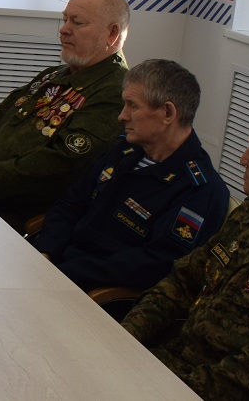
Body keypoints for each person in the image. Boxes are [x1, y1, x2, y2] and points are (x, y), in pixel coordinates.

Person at [121, 105, 249, 399]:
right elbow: (182, 281)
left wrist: (150, 385)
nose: (242, 159)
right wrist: (126, 337)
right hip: (167, 363)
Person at [31, 59, 229, 292]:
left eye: (132, 106)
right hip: (57, 268)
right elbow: (71, 203)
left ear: (167, 113)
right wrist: (47, 251)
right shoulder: (126, 151)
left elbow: (153, 265)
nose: (122, 116)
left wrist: (65, 273)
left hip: (95, 292)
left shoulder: (200, 189)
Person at [0, 0, 130, 232]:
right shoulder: (55, 75)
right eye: (65, 19)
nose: (64, 29)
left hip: (18, 214)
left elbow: (62, 163)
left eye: (77, 22)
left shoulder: (115, 91)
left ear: (112, 33)